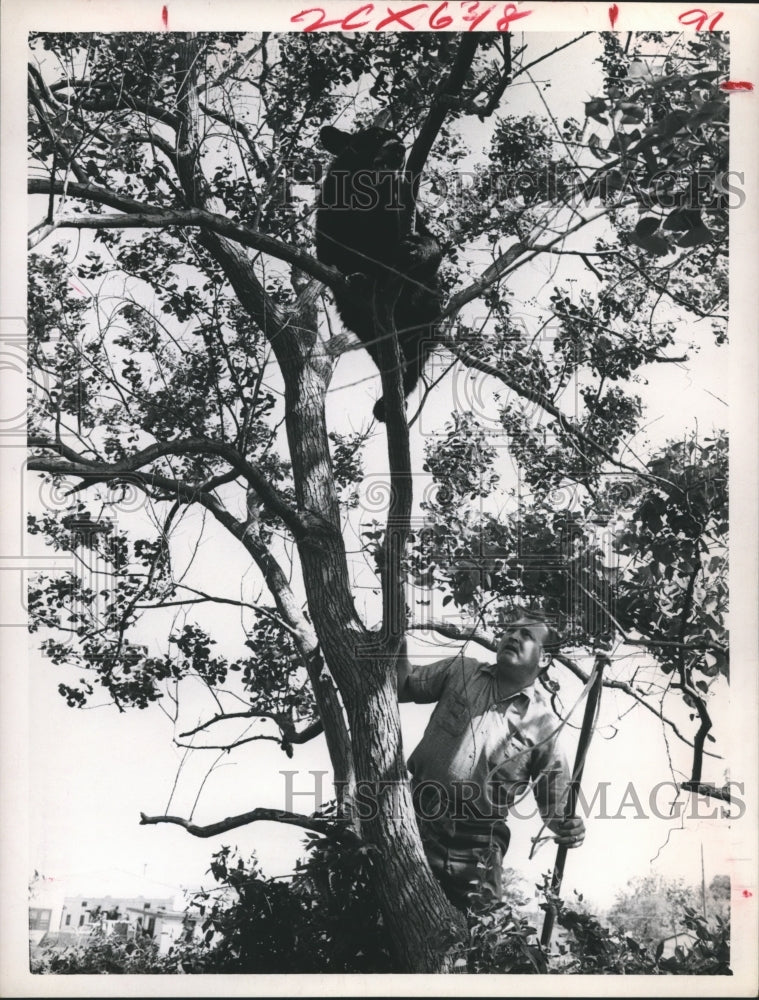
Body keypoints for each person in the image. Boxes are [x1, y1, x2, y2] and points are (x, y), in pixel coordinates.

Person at [397, 616, 585, 911]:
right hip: (414, 814)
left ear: (545, 657)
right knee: (384, 911)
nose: (512, 636)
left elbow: (557, 809)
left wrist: (571, 826)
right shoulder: (461, 670)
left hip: (477, 841)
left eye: (526, 635)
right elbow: (402, 686)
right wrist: (396, 640)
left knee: (478, 929)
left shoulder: (544, 727)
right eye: (510, 630)